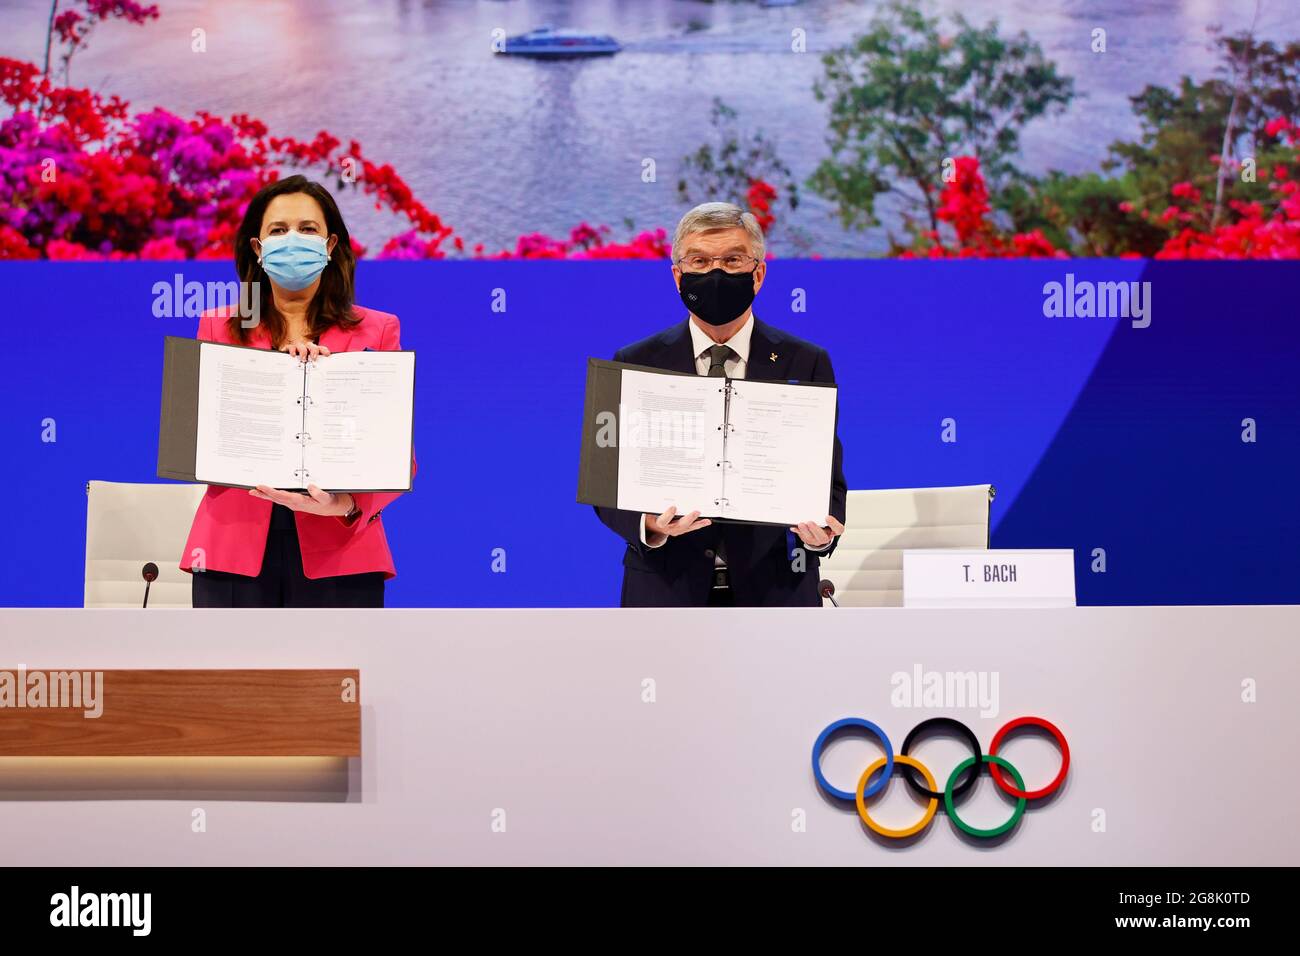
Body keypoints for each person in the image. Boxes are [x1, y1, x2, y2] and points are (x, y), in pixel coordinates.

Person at [596, 202, 847, 607]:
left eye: (733, 260)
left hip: (777, 593)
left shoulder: (806, 361)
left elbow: (827, 477)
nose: (716, 273)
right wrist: (649, 525)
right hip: (665, 591)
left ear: (758, 273)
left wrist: (821, 534)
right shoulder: (635, 363)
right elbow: (606, 482)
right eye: (700, 260)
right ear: (678, 276)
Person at [181, 175, 414, 607]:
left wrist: (344, 506)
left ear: (330, 246)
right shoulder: (218, 326)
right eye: (278, 230)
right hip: (233, 549)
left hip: (341, 553)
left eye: (307, 229)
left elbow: (396, 453)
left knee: (337, 675)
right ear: (257, 248)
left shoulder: (377, 330)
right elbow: (196, 437)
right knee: (232, 676)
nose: (293, 240)